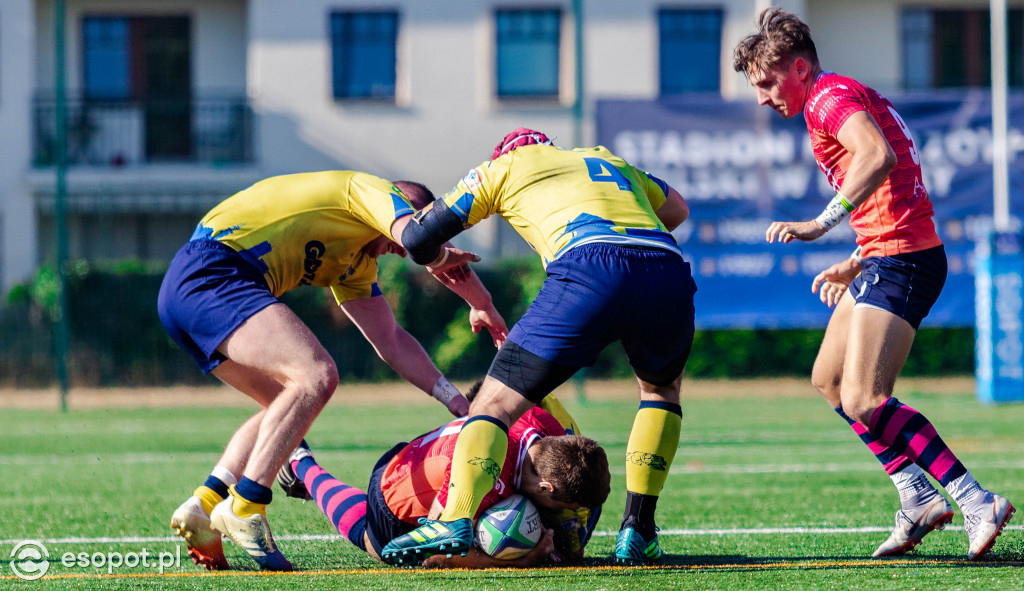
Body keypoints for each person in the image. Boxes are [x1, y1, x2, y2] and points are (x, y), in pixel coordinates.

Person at [732, 7, 1014, 560]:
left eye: (767, 83)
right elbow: (894, 188)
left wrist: (820, 225)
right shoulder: (836, 95)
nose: (764, 98)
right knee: (829, 379)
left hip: (905, 262)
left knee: (865, 397)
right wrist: (857, 259)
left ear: (799, 68)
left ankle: (974, 499)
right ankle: (916, 496)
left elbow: (877, 157)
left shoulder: (826, 98)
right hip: (886, 255)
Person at [158, 171, 508, 571]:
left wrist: (457, 402)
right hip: (213, 269)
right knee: (317, 375)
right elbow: (419, 239)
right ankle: (247, 504)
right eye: (417, 225)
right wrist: (480, 299)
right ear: (397, 205)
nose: (401, 249)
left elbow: (391, 340)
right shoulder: (365, 190)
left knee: (282, 403)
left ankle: (205, 505)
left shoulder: (357, 261)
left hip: (192, 287)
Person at [380, 128, 696, 566]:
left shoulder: (504, 167)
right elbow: (677, 208)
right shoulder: (605, 159)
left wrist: (438, 259)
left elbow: (417, 237)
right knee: (660, 392)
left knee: (492, 406)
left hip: (587, 266)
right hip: (665, 267)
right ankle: (638, 528)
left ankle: (454, 519)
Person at [276, 391, 609, 569]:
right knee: (374, 545)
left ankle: (301, 464)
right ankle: (302, 461)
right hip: (394, 499)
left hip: (420, 450)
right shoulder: (482, 484)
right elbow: (435, 557)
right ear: (545, 487)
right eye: (564, 507)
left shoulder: (541, 422)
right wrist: (525, 559)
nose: (567, 514)